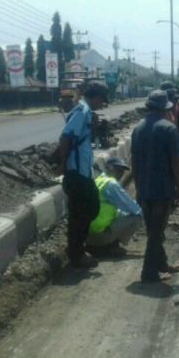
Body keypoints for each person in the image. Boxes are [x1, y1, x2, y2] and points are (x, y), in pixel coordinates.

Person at [131, 90, 179, 283]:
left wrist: (138, 188)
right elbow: (176, 162)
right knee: (156, 232)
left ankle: (161, 263)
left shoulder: (137, 129)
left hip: (144, 188)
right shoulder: (169, 129)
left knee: (154, 229)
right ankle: (149, 272)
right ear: (164, 109)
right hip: (162, 189)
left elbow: (134, 163)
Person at [57, 81, 109, 269]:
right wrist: (63, 166)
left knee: (84, 210)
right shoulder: (82, 111)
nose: (102, 105)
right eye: (102, 101)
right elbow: (66, 137)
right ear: (96, 97)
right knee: (84, 210)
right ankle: (76, 253)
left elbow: (80, 137)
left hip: (82, 171)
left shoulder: (86, 112)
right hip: (76, 172)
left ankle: (76, 249)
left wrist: (94, 128)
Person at [87, 157, 143, 257]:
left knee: (121, 212)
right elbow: (133, 208)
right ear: (110, 168)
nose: (121, 173)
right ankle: (110, 247)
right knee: (137, 217)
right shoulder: (111, 184)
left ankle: (100, 246)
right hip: (99, 235)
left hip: (87, 234)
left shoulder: (99, 180)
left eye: (122, 171)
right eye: (118, 170)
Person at [161, 81, 179, 204]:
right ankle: (171, 196)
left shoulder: (177, 106)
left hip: (176, 142)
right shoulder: (160, 110)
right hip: (164, 145)